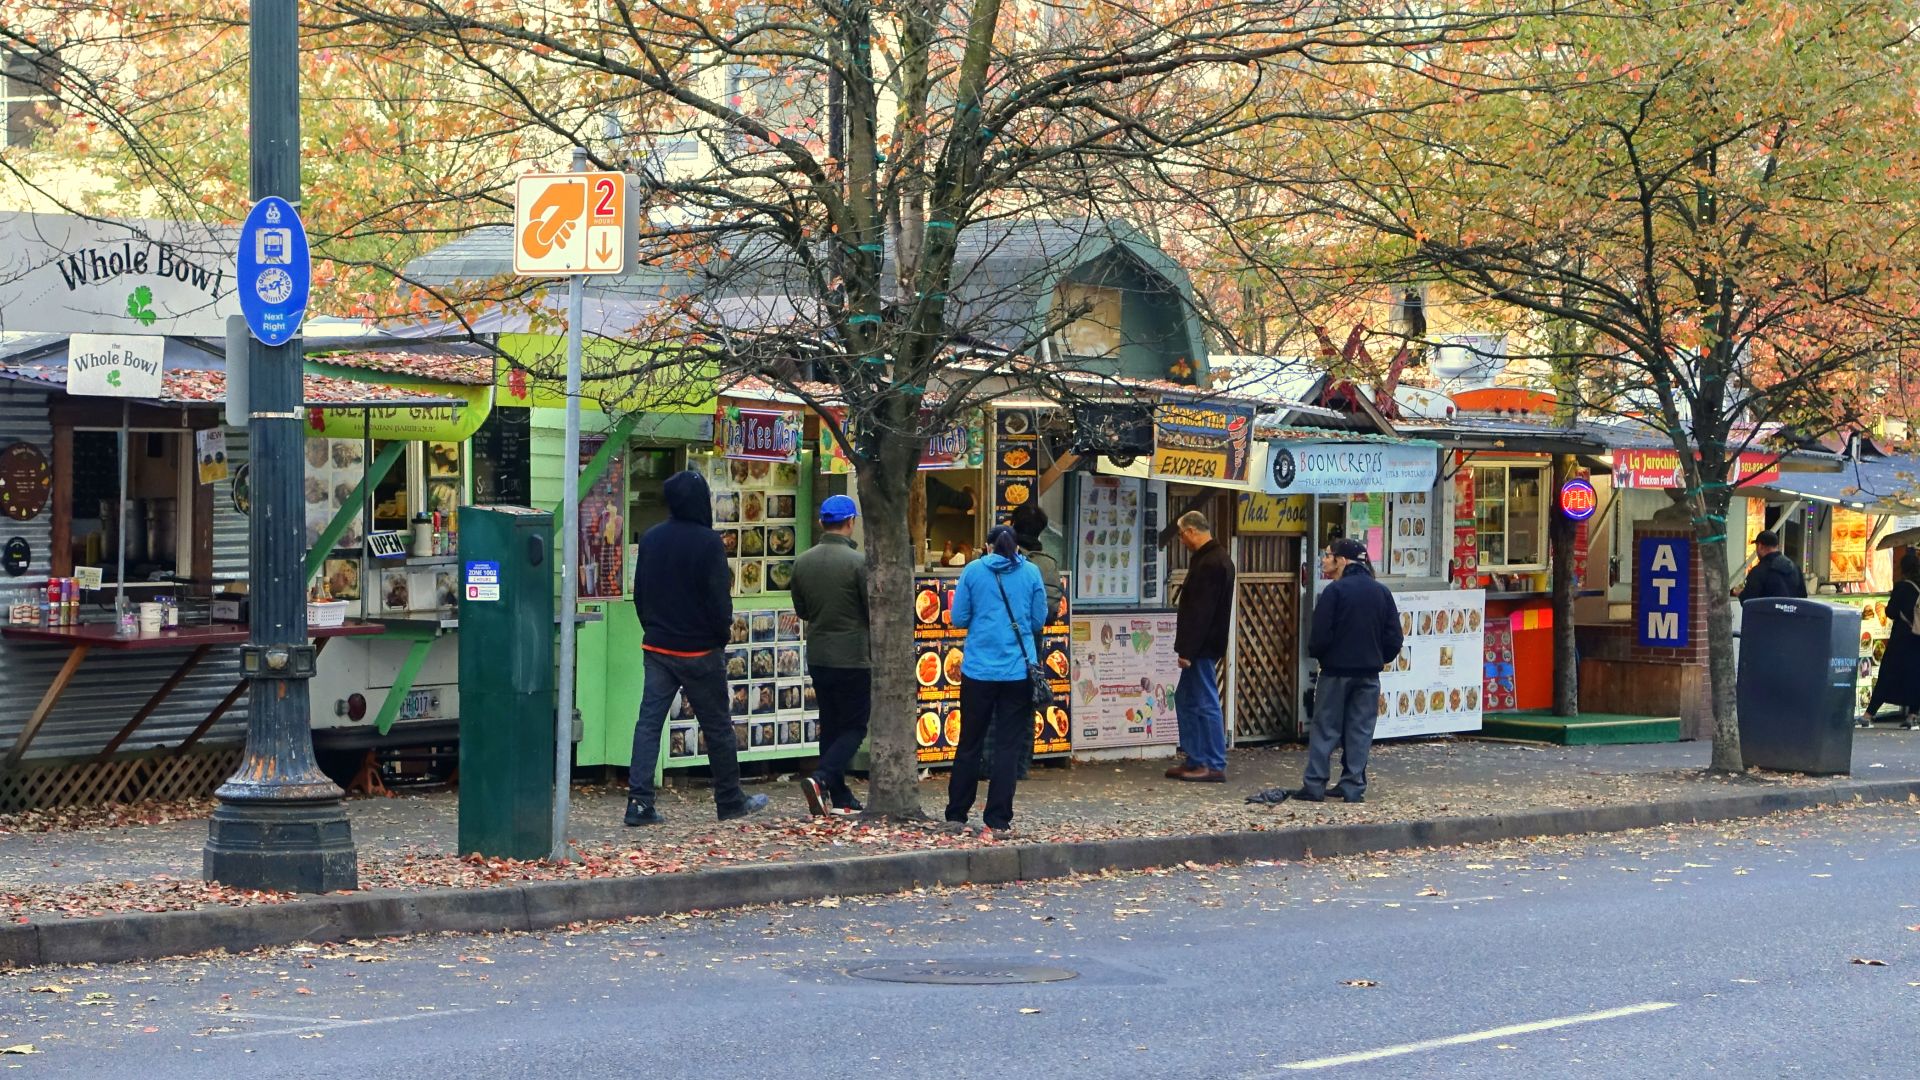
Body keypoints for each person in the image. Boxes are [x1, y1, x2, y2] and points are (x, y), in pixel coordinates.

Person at [626, 469, 770, 826]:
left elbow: (640, 593)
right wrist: (719, 637)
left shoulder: (652, 539)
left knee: (648, 724)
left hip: (658, 648)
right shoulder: (708, 543)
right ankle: (730, 800)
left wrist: (654, 629)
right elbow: (719, 601)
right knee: (717, 726)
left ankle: (639, 803)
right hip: (701, 651)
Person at [1256, 537, 1402, 804]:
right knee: (1360, 731)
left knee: (1325, 728)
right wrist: (1380, 658)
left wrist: (1323, 656)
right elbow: (1394, 638)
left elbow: (1319, 636)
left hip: (1336, 671)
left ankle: (1315, 784)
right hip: (1369, 674)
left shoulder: (1334, 592)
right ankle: (1352, 786)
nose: (1324, 560)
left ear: (1342, 561)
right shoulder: (1381, 592)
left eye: (1328, 555)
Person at [944, 524, 1049, 834]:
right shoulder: (1030, 573)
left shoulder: (973, 571)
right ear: (1017, 547)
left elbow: (959, 618)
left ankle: (956, 813)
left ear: (988, 546)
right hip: (1018, 670)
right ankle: (998, 818)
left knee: (969, 742)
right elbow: (1037, 619)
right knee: (1008, 745)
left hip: (977, 670)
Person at [789, 494, 871, 814]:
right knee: (854, 727)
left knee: (831, 724)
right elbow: (870, 610)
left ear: (823, 522)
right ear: (850, 522)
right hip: (853, 655)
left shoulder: (802, 562)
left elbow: (802, 610)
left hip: (820, 653)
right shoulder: (859, 564)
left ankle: (838, 795)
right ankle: (823, 778)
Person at [1169, 510, 1235, 782]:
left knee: (1205, 701)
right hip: (1206, 643)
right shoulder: (1219, 559)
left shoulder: (1209, 563)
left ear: (1192, 531)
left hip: (1201, 645)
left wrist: (1187, 650)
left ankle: (1211, 762)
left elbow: (1200, 611)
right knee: (1186, 698)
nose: (1182, 540)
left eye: (1182, 534)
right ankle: (1197, 757)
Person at [1863, 552, 1920, 729]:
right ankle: (1912, 715)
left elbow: (1891, 612)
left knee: (1887, 674)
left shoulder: (1902, 587)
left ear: (1903, 568)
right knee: (1915, 676)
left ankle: (1868, 714)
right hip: (1917, 639)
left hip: (1901, 639)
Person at [1737, 529, 1807, 601]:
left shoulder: (1758, 572)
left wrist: (1741, 594)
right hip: (1793, 612)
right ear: (1777, 546)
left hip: (1767, 612)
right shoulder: (1795, 568)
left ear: (1760, 546)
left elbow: (1749, 602)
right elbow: (1803, 598)